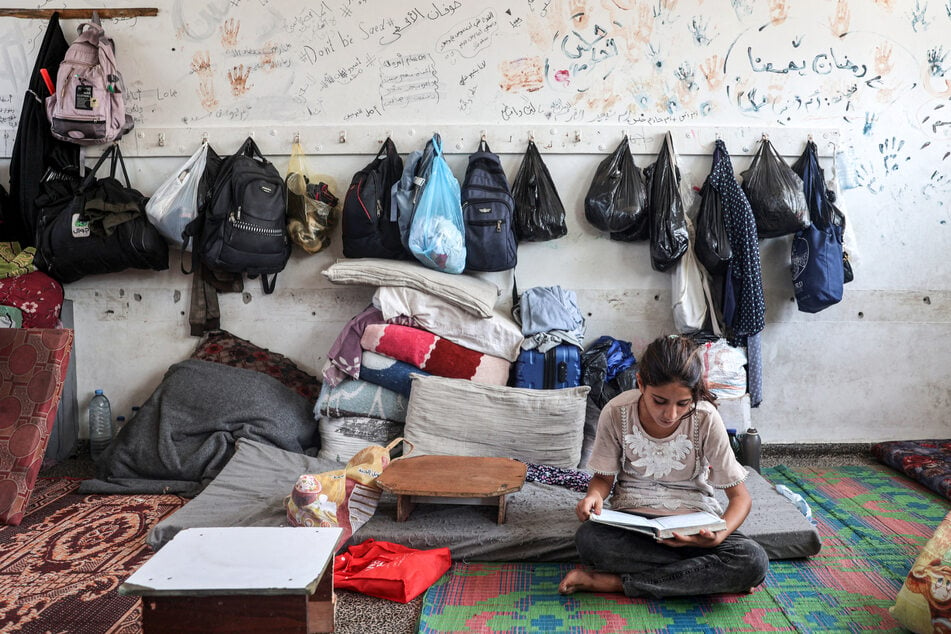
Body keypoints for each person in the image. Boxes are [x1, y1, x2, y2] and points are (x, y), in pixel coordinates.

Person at [559, 334, 769, 598]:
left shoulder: (705, 417)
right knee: (589, 540)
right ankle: (706, 578)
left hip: (693, 529)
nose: (670, 414)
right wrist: (593, 496)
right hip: (633, 525)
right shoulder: (616, 412)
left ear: (694, 393)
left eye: (683, 403)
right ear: (640, 383)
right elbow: (603, 480)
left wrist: (719, 535)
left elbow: (740, 499)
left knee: (752, 559)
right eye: (659, 401)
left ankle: (616, 583)